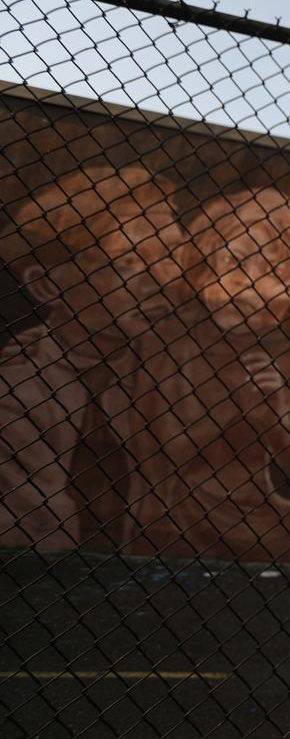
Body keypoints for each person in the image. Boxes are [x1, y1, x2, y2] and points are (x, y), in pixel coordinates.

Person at [128, 186, 290, 563]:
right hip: (179, 534)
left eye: (273, 272)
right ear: (205, 267)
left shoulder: (286, 360)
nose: (247, 284)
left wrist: (276, 419)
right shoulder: (174, 347)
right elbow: (159, 449)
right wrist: (239, 414)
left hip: (276, 537)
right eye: (236, 263)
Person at [1, 164, 185, 551]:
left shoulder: (179, 373)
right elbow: (37, 533)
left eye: (172, 255)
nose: (162, 280)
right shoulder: (19, 392)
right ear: (48, 284)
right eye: (129, 261)